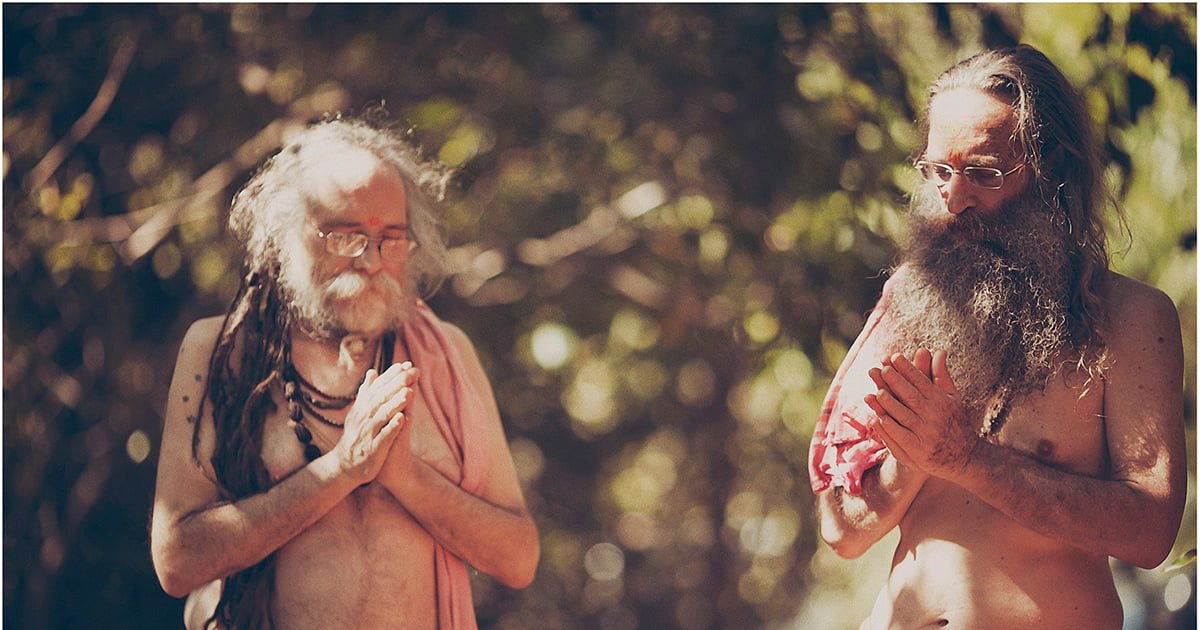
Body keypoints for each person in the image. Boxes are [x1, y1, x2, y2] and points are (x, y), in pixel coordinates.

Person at [808, 45, 1186, 629]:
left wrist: (965, 458)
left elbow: (1149, 532)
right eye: (939, 171)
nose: (954, 200)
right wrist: (916, 456)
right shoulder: (907, 303)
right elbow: (841, 532)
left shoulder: (1133, 318)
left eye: (983, 173)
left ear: (1053, 169)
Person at [150, 116, 539, 629]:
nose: (371, 261)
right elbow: (177, 562)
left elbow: (518, 559)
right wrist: (339, 472)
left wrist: (407, 479)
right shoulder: (220, 353)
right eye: (345, 236)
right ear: (284, 239)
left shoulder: (447, 356)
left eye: (392, 240)